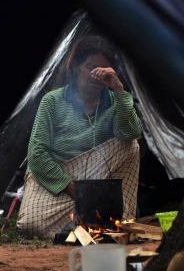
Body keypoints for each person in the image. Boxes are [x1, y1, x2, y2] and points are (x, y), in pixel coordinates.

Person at [17, 35, 142, 238]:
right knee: (31, 224)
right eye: (91, 67)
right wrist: (73, 188)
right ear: (75, 66)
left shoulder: (113, 102)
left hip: (94, 174)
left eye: (104, 71)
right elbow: (37, 154)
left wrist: (119, 90)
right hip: (57, 173)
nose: (97, 76)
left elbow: (132, 132)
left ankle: (118, 219)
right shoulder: (53, 101)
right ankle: (94, 217)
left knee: (130, 146)